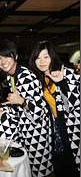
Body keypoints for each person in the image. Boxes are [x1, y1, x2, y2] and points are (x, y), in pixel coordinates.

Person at [0, 39, 53, 177]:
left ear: (16, 56)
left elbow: (40, 110)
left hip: (37, 134)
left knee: (40, 172)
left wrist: (21, 101)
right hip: (25, 131)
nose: (3, 61)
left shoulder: (25, 76)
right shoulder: (12, 76)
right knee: (26, 169)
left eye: (7, 56)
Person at [29, 40, 80, 176]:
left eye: (45, 56)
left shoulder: (66, 73)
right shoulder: (42, 79)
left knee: (73, 164)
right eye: (38, 58)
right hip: (54, 127)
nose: (41, 61)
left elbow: (75, 103)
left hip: (71, 126)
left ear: (52, 56)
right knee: (60, 165)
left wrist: (62, 83)